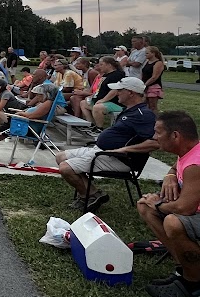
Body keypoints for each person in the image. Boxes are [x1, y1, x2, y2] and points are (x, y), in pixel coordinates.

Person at [56, 76, 159, 211]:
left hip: (120, 159)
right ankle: (93, 193)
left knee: (65, 168)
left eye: (119, 90)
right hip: (102, 151)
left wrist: (124, 150)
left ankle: (87, 195)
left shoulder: (143, 115)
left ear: (130, 93)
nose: (116, 93)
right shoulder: (129, 110)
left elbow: (155, 143)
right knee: (60, 157)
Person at [137, 111, 200, 297]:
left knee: (174, 222)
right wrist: (170, 175)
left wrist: (158, 204)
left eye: (158, 132)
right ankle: (185, 269)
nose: (154, 137)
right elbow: (178, 165)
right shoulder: (188, 152)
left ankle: (193, 285)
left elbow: (184, 209)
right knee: (144, 206)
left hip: (191, 211)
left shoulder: (195, 164)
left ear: (175, 135)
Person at [79, 56, 125, 132]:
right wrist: (92, 97)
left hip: (114, 102)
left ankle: (99, 128)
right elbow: (99, 89)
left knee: (97, 107)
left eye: (101, 64)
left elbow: (115, 90)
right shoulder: (105, 75)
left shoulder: (117, 75)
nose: (100, 67)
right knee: (83, 103)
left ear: (109, 65)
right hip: (102, 100)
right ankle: (91, 124)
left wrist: (103, 100)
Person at [141, 45, 165, 112]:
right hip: (145, 86)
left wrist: (145, 85)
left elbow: (154, 77)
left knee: (152, 106)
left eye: (147, 53)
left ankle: (155, 120)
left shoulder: (158, 63)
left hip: (153, 86)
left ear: (153, 53)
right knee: (144, 105)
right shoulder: (147, 62)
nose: (145, 55)